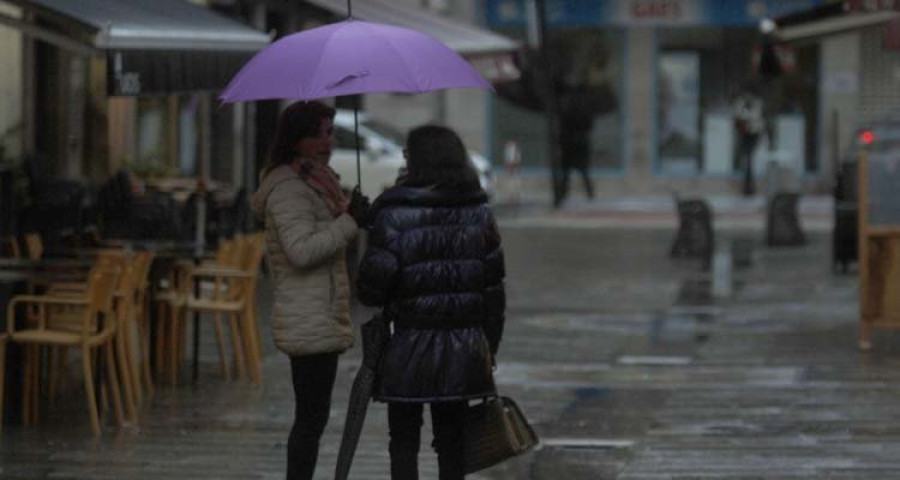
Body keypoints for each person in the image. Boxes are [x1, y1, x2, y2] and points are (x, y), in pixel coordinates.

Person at [356, 125, 506, 480]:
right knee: (453, 442)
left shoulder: (394, 213)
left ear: (418, 160)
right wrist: (488, 347)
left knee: (404, 440)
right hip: (463, 346)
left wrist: (371, 228)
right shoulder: (480, 212)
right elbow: (493, 292)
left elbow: (371, 291)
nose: (404, 158)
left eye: (408, 153)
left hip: (408, 344)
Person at [250, 100, 369, 480]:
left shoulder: (314, 180)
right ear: (296, 139)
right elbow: (301, 251)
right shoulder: (288, 188)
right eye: (318, 133)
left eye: (330, 132)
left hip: (320, 311)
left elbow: (320, 232)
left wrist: (347, 211)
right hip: (308, 314)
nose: (327, 141)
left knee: (313, 418)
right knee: (310, 418)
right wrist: (349, 222)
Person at [557, 88, 596, 206]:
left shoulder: (577, 112)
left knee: (577, 172)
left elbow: (588, 125)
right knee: (568, 173)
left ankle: (588, 194)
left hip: (576, 146)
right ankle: (564, 194)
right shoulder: (568, 112)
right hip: (571, 146)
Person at [732, 85, 765, 196]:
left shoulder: (757, 103)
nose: (747, 96)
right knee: (746, 159)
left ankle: (749, 187)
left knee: (750, 159)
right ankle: (747, 186)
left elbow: (755, 118)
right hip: (744, 134)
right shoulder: (740, 102)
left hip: (754, 134)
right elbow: (737, 115)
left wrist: (746, 115)